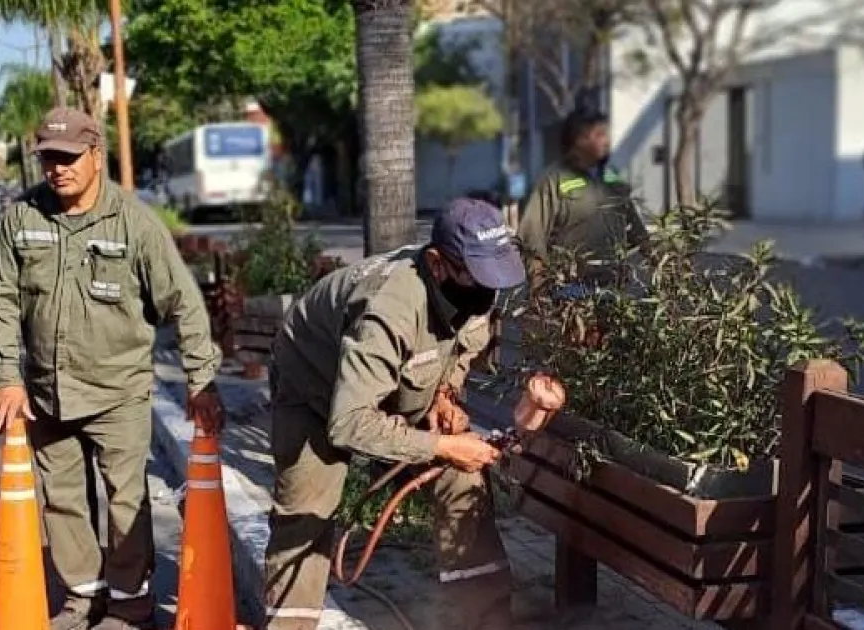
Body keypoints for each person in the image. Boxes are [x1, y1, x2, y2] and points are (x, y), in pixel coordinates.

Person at [0, 107, 224, 630]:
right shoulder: (22, 219)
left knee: (125, 499)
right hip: (47, 391)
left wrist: (201, 379)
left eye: (68, 157)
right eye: (48, 158)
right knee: (63, 499)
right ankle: (84, 597)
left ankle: (131, 603)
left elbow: (183, 303)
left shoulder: (134, 223)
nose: (57, 168)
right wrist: (7, 378)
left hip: (118, 392)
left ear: (96, 155)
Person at [263, 198, 525, 630]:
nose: (487, 291)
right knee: (308, 510)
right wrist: (441, 445)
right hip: (314, 386)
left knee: (464, 480)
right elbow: (348, 422)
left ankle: (485, 620)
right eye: (477, 276)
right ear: (437, 264)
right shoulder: (388, 310)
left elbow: (462, 348)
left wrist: (444, 396)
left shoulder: (478, 290)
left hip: (390, 378)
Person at [516, 109, 648, 296]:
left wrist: (662, 262)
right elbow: (532, 235)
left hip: (613, 288)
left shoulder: (612, 178)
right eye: (599, 135)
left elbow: (635, 228)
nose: (607, 142)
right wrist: (539, 284)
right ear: (579, 140)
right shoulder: (553, 181)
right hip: (570, 290)